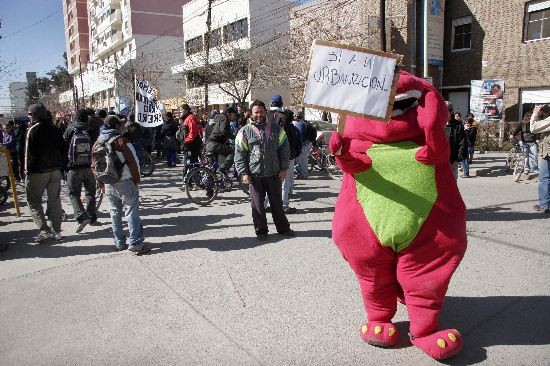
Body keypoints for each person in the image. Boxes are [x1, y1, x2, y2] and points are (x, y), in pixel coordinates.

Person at [234, 100, 296, 240]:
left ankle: (283, 228)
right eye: (256, 112)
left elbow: (285, 151)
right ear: (251, 113)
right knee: (257, 206)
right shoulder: (244, 132)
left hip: (274, 174)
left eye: (261, 112)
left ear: (265, 112)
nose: (259, 115)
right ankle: (261, 231)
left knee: (277, 204)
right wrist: (244, 173)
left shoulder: (276, 129)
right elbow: (239, 154)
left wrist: (283, 168)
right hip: (254, 175)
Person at [92, 115, 150, 253]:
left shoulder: (97, 142)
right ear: (117, 126)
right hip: (126, 181)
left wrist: (100, 183)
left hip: (108, 182)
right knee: (131, 212)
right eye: (120, 124)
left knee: (114, 213)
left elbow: (93, 165)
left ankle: (119, 243)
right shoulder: (122, 141)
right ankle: (135, 243)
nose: (123, 126)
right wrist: (136, 180)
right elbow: (133, 163)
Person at [25, 103, 66, 243]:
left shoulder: (33, 130)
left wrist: (26, 171)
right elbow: (63, 148)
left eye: (30, 114)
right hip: (55, 170)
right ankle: (57, 231)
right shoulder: (55, 129)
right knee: (55, 201)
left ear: (35, 116)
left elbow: (27, 154)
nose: (29, 117)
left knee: (34, 201)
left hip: (37, 172)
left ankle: (44, 230)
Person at [63, 108, 99, 232]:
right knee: (90, 193)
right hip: (90, 167)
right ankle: (92, 217)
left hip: (74, 168)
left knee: (74, 194)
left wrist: (64, 166)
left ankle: (81, 216)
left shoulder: (70, 130)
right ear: (87, 118)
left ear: (75, 117)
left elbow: (63, 147)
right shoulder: (92, 131)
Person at [530, 104, 550, 214]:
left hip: (548, 153)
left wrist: (536, 114)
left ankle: (545, 205)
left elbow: (533, 128)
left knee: (544, 179)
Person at [205, 106, 236, 175]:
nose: (234, 116)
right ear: (229, 114)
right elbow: (223, 131)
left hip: (210, 143)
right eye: (233, 114)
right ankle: (223, 169)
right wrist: (233, 136)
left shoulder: (219, 118)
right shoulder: (224, 118)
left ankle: (214, 180)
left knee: (214, 166)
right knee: (232, 153)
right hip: (214, 144)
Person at [444, 102, 467, 179]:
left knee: (452, 182)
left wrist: (457, 159)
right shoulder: (438, 124)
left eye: (444, 110)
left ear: (450, 112)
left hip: (453, 159)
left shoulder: (458, 126)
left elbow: (462, 143)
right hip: (440, 160)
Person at [180, 104, 201, 168]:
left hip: (192, 145)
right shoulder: (186, 118)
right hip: (189, 144)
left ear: (186, 110)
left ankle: (191, 177)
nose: (180, 112)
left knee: (190, 164)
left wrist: (186, 141)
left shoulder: (190, 117)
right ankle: (190, 177)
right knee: (189, 164)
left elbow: (193, 132)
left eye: (181, 110)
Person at [293, 111, 311, 179]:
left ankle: (304, 175)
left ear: (297, 116)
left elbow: (300, 135)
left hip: (304, 144)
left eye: (294, 116)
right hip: (305, 143)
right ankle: (302, 174)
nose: (294, 117)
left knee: (302, 160)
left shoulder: (300, 124)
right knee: (301, 160)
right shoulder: (302, 122)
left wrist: (298, 144)